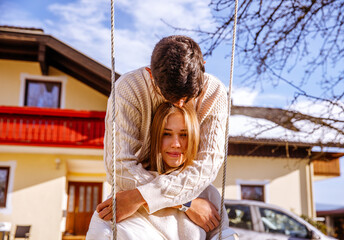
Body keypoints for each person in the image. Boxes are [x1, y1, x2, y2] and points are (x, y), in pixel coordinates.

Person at [87, 35, 237, 239]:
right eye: (170, 98)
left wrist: (140, 196)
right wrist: (185, 202)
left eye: (189, 96)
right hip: (135, 199)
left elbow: (206, 166)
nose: (181, 105)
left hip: (140, 193)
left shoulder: (215, 94)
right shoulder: (128, 88)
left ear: (203, 66)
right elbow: (119, 168)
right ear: (150, 74)